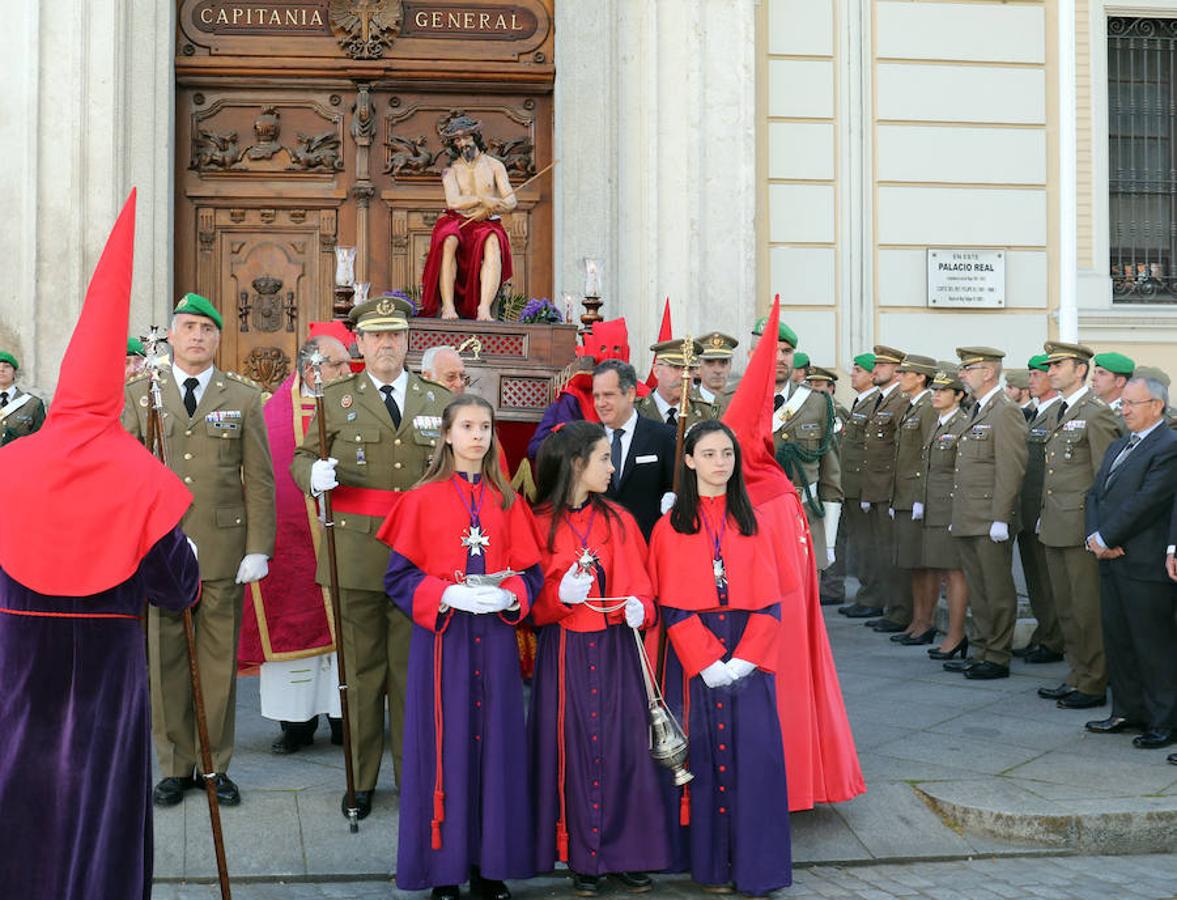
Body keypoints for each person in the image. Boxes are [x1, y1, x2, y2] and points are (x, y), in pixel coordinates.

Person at [0, 192, 200, 900]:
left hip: (19, 661)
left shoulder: (8, 463)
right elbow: (180, 589)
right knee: (99, 800)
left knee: (19, 787)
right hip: (110, 671)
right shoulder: (136, 473)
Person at [290, 295, 453, 820]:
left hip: (418, 556)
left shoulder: (435, 399)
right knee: (360, 676)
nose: (387, 344)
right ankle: (358, 782)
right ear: (359, 343)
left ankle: (414, 779)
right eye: (377, 336)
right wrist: (311, 478)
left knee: (412, 677)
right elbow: (302, 455)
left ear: (409, 341)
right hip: (357, 552)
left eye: (396, 335)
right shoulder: (336, 397)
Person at [378, 395, 541, 899]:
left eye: (486, 426)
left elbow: (532, 574)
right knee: (443, 751)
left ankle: (491, 868)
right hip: (442, 645)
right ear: (446, 435)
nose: (478, 435)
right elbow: (399, 578)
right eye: (467, 426)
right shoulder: (421, 499)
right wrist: (442, 594)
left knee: (497, 752)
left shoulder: (508, 501)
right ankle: (444, 872)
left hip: (493, 642)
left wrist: (506, 594)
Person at [123, 292, 276, 806]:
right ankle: (174, 765)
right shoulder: (141, 393)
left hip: (222, 547)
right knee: (165, 660)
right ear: (171, 334)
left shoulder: (243, 396)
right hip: (159, 551)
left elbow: (259, 480)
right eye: (187, 327)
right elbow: (122, 474)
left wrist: (259, 547)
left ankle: (215, 767)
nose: (196, 337)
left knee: (216, 662)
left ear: (217, 338)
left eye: (206, 329)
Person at [647, 419, 792, 896]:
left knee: (755, 760)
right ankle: (709, 866)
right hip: (697, 657)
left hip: (750, 649)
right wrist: (707, 661)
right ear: (689, 461)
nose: (719, 463)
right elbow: (670, 602)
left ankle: (756, 867)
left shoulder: (757, 520)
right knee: (703, 759)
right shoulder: (669, 526)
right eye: (708, 454)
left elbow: (772, 600)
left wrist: (745, 659)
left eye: (726, 454)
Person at [528, 421, 669, 895]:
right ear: (576, 463)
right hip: (564, 649)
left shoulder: (620, 520)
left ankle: (627, 851)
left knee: (625, 749)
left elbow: (646, 589)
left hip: (615, 651)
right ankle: (580, 856)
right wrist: (556, 597)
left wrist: (640, 608)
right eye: (604, 458)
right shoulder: (536, 519)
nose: (612, 467)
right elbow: (528, 601)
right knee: (570, 750)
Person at [239, 334, 351, 755]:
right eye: (339, 366)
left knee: (348, 635)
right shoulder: (273, 416)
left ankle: (346, 720)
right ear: (312, 370)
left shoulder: (353, 406)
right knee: (293, 627)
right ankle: (296, 725)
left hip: (344, 538)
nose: (347, 372)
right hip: (291, 545)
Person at [1084, 376, 1177, 751]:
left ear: (1156, 406)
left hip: (1143, 560)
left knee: (1152, 645)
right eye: (1122, 404)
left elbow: (1148, 500)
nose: (1123, 410)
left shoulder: (1168, 446)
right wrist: (1095, 538)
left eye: (1131, 404)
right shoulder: (1121, 444)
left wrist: (1108, 537)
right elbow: (1095, 493)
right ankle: (1127, 710)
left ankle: (1164, 720)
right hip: (1111, 557)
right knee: (1119, 640)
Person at [1036, 342, 1122, 710]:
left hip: (1080, 526)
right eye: (1050, 365)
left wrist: (1100, 528)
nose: (1051, 371)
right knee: (1066, 606)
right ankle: (1076, 672)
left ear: (1081, 370)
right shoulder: (1060, 410)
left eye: (1059, 365)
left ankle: (1094, 681)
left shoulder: (1095, 413)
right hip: (1055, 521)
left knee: (1087, 608)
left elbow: (1106, 476)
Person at [942, 347, 1027, 680]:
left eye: (968, 368)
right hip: (968, 515)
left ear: (989, 372)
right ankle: (980, 648)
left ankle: (997, 655)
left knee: (997, 590)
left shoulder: (1004, 411)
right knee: (979, 589)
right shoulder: (977, 409)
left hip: (990, 517)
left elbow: (1011, 467)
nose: (962, 374)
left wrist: (1001, 517)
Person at [762, 318, 842, 573]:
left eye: (786, 351)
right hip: (755, 517)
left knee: (806, 603)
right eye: (772, 351)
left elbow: (831, 475)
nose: (780, 358)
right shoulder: (734, 400)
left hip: (805, 516)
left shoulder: (817, 403)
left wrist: (828, 541)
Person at [420, 115, 516, 321]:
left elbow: (511, 202)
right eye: (457, 140)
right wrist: (483, 198)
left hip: (486, 222)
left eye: (465, 137)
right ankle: (448, 307)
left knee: (493, 240)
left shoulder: (495, 166)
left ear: (476, 136)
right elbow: (453, 202)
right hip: (458, 220)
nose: (462, 143)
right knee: (448, 239)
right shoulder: (451, 171)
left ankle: (484, 308)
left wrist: (493, 206)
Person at [1013, 353, 1065, 664]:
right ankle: (1046, 632)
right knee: (1036, 580)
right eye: (1030, 374)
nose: (1030, 380)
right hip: (1028, 512)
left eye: (1036, 374)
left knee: (1051, 582)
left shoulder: (1058, 413)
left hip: (1048, 513)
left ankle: (1055, 640)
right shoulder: (1031, 414)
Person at [527, 318, 639, 461]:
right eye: (603, 349)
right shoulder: (572, 398)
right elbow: (536, 448)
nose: (610, 355)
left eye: (617, 348)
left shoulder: (643, 395)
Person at [919, 368, 972, 661]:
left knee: (955, 574)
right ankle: (953, 634)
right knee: (943, 572)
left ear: (959, 395)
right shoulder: (939, 423)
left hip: (951, 509)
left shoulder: (962, 424)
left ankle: (956, 634)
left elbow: (961, 473)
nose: (936, 395)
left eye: (943, 390)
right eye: (934, 390)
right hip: (935, 508)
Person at [889, 354, 940, 645]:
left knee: (923, 562)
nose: (899, 376)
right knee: (912, 561)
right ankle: (917, 619)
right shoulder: (913, 406)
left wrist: (921, 497)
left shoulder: (927, 407)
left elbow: (926, 455)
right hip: (905, 495)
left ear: (920, 377)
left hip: (916, 495)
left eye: (904, 372)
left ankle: (926, 621)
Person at [595, 359, 676, 539]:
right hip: (597, 550)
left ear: (630, 393)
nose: (601, 403)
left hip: (646, 546)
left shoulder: (663, 437)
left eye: (608, 395)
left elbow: (674, 489)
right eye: (596, 396)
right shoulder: (587, 439)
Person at [861, 345, 911, 633]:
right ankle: (891, 606)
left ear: (896, 370)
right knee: (882, 551)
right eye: (876, 364)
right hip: (876, 487)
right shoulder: (883, 400)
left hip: (890, 488)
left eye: (882, 365)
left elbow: (900, 452)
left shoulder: (900, 401)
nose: (875, 370)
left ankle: (900, 610)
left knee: (893, 553)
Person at [837, 353, 881, 617]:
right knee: (861, 544)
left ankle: (872, 597)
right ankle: (867, 595)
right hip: (852, 485)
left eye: (857, 370)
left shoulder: (875, 403)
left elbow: (872, 451)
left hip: (863, 486)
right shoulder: (861, 402)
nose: (852, 374)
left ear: (871, 375)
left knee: (868, 545)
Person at [637, 337, 716, 430]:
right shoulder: (633, 411)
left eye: (689, 369)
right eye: (675, 367)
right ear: (656, 371)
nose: (684, 375)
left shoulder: (707, 413)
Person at [0, 350, 46, 445]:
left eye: (7, 366)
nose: (1, 370)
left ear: (14, 372)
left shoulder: (33, 404)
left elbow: (41, 440)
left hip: (18, 458)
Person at [695, 331, 738, 406]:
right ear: (697, 367)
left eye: (723, 362)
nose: (718, 370)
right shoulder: (685, 403)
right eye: (710, 362)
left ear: (730, 366)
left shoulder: (739, 401)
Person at [1091, 351, 1135, 417]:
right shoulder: (1090, 408)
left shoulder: (1130, 413)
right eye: (1095, 372)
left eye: (1102, 373)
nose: (1093, 378)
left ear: (1120, 381)